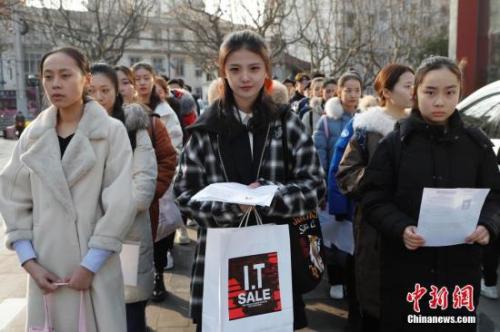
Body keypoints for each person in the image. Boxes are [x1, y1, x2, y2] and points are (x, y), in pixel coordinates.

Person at [173, 30, 325, 331]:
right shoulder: (206, 129)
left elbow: (315, 184)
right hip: (221, 251)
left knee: (275, 323)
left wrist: (270, 196)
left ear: (267, 70)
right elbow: (184, 195)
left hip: (276, 248)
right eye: (235, 69)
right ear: (223, 73)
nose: (245, 77)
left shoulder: (285, 121)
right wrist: (233, 208)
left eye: (254, 68)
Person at [0, 47, 135, 331]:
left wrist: (89, 265)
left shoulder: (110, 132)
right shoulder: (33, 136)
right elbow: (13, 199)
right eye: (48, 77)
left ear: (85, 79)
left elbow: (120, 202)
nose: (55, 84)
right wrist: (29, 263)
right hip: (45, 268)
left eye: (65, 75)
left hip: (94, 266)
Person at [361, 56, 500, 331]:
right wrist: (401, 228)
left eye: (450, 93)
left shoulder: (476, 145)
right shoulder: (395, 144)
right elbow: (373, 199)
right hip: (407, 270)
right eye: (430, 92)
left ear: (460, 93)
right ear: (416, 93)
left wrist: (488, 225)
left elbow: (495, 196)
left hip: (460, 270)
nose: (440, 102)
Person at [335, 64, 415, 332]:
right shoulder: (365, 128)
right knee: (375, 303)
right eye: (407, 85)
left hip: (415, 227)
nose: (414, 90)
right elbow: (346, 176)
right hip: (373, 230)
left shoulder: (422, 126)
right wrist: (378, 176)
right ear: (387, 92)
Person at [89, 63, 159, 331]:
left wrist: (111, 212)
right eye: (91, 90)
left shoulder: (133, 126)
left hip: (128, 233)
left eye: (105, 89)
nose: (98, 97)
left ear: (117, 91)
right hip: (87, 236)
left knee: (130, 312)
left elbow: (143, 187)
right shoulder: (76, 128)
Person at [132, 62, 179, 302]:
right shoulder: (124, 109)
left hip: (160, 186)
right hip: (130, 190)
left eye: (145, 77)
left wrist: (158, 184)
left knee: (159, 234)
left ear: (153, 80)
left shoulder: (164, 111)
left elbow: (173, 149)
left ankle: (158, 276)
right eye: (136, 78)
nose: (141, 82)